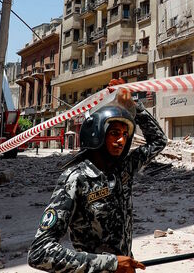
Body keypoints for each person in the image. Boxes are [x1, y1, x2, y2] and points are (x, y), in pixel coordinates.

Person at [27, 84, 167, 273]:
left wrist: (134, 105)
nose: (121, 140)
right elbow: (39, 252)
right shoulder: (76, 179)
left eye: (125, 135)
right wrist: (111, 264)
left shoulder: (124, 168)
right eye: (115, 133)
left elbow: (158, 141)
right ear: (97, 133)